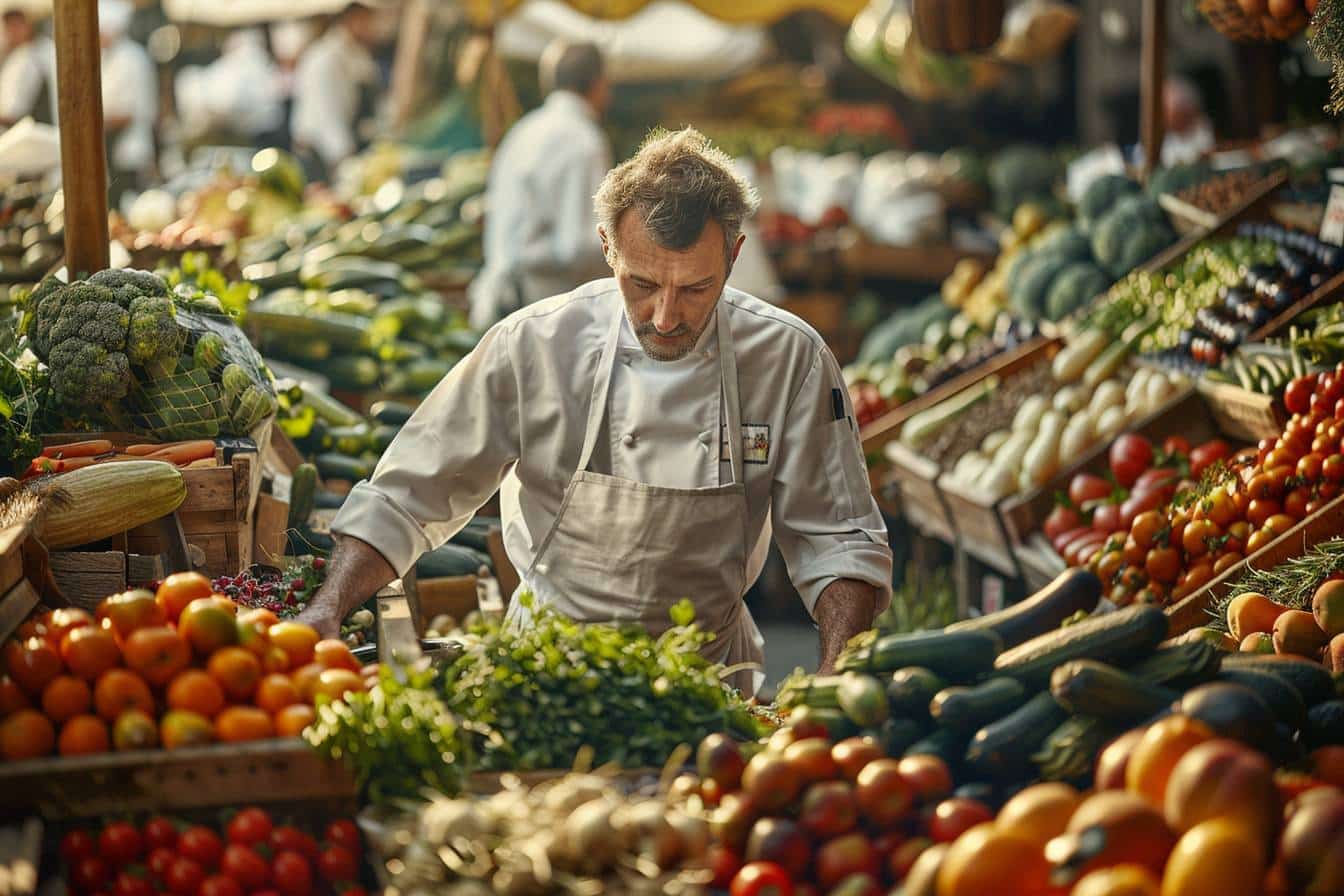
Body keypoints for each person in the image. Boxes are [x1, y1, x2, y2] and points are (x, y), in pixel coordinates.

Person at [298, 128, 893, 695]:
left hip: (711, 687)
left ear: (734, 257)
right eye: (641, 283)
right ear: (607, 247)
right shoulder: (534, 345)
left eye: (694, 289)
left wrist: (835, 680)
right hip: (546, 676)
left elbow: (838, 538)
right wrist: (327, 609)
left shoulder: (790, 356)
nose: (664, 317)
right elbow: (405, 497)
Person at [467, 40, 612, 331]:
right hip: (547, 313)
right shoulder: (584, 141)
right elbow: (574, 247)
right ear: (598, 85)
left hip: (503, 302)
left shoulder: (523, 131)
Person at [290, 3, 381, 180]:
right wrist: (344, 159)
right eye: (369, 21)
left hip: (344, 149)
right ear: (353, 20)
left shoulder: (357, 54)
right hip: (320, 155)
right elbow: (328, 113)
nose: (375, 28)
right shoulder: (326, 57)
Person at [98, 0, 157, 203]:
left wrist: (93, 124)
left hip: (130, 150)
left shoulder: (131, 58)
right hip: (112, 150)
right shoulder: (109, 57)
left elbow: (128, 112)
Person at [0, 10, 54, 127]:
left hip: (34, 127)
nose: (13, 32)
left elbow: (15, 111)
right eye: (9, 28)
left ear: (27, 25)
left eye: (17, 26)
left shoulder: (42, 51)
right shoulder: (15, 56)